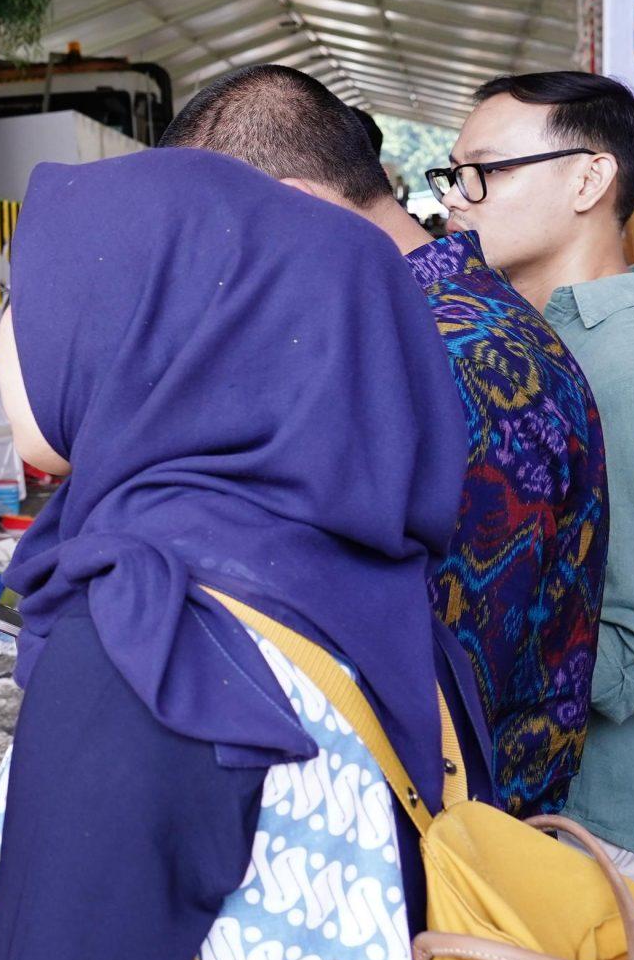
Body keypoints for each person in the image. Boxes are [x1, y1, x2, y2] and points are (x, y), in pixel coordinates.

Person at [0, 148, 466, 960]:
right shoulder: (353, 572)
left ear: (146, 332)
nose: (6, 339)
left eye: (37, 301)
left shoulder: (154, 630)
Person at [162, 65, 608, 816]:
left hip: (449, 838)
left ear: (297, 206)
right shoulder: (424, 325)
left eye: (222, 237)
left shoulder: (444, 362)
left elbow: (426, 667)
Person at [438, 72, 634, 902]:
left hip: (613, 822)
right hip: (559, 792)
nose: (457, 197)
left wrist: (476, 652)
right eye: (452, 173)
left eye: (486, 171)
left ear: (588, 179)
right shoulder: (549, 341)